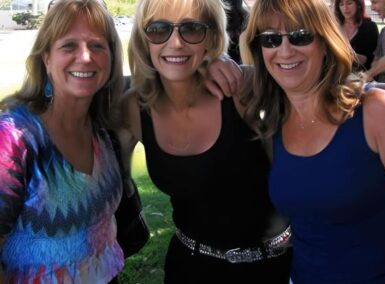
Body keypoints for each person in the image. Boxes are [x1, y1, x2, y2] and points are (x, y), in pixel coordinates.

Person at [117, 0, 292, 283]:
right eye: (159, 29)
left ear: (211, 36)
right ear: (143, 38)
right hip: (189, 269)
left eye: (192, 29)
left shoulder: (240, 87)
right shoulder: (133, 108)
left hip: (270, 268)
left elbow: (322, 88)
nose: (175, 43)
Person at [238, 0, 385, 282]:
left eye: (300, 36)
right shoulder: (272, 125)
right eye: (271, 39)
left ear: (324, 42)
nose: (285, 50)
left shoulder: (376, 111)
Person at [0, 0, 126, 282]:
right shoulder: (14, 140)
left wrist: (220, 64)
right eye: (69, 46)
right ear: (46, 58)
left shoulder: (103, 130)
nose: (85, 57)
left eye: (97, 46)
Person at [334, 0, 379, 70]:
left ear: (358, 5)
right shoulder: (334, 28)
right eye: (341, 4)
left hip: (361, 77)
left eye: (349, 3)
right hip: (336, 77)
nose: (345, 8)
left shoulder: (370, 27)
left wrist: (346, 54)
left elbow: (371, 59)